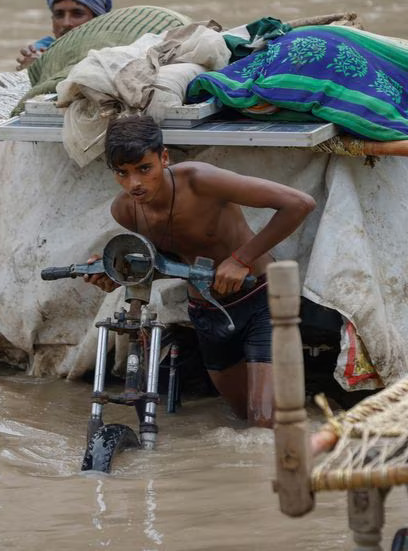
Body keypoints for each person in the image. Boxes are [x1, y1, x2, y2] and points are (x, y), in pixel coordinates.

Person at [83, 116, 316, 428]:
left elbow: (299, 203)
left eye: (144, 168)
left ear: (164, 158)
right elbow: (166, 263)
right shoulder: (124, 211)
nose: (134, 183)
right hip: (207, 313)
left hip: (260, 297)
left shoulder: (199, 180)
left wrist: (241, 259)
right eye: (122, 174)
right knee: (240, 420)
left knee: (265, 425)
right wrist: (117, 273)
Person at [16, 0, 113, 71]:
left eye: (77, 14)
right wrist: (30, 73)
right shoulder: (39, 52)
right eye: (59, 14)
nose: (66, 23)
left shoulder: (113, 57)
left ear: (98, 20)